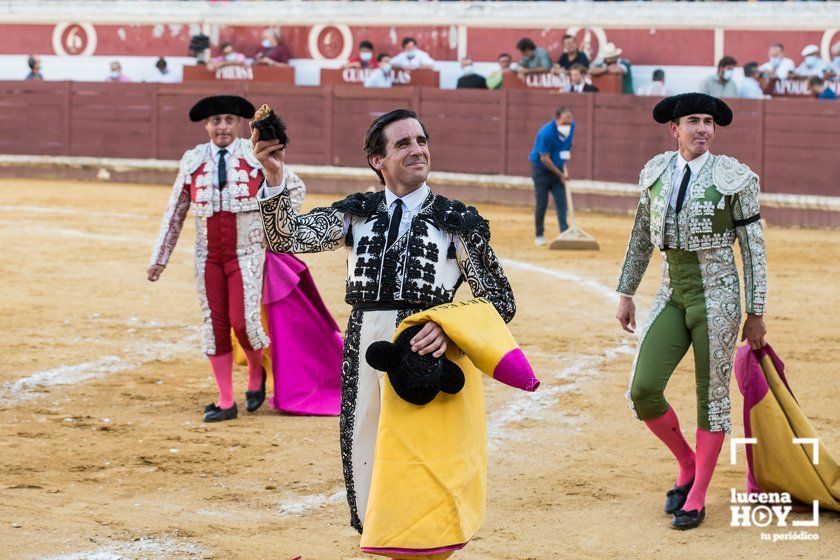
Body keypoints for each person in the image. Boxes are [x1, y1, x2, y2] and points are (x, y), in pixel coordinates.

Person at [253, 108, 516, 534]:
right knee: (365, 443)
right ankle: (376, 537)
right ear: (378, 160)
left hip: (425, 350)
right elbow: (285, 238)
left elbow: (499, 300)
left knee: (422, 455)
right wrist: (274, 174)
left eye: (421, 141)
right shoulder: (357, 212)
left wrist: (450, 328)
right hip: (364, 343)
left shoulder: (456, 220)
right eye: (404, 143)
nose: (418, 150)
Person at [616, 93, 767, 531]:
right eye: (693, 121)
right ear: (674, 129)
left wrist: (755, 311)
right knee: (643, 389)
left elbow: (754, 250)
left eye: (707, 122)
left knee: (712, 397)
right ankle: (686, 462)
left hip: (718, 296)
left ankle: (697, 493)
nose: (702, 128)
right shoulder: (657, 172)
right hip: (671, 292)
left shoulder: (734, 177)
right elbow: (641, 236)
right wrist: (626, 291)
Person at [147, 95, 306, 423]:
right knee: (215, 326)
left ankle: (254, 377)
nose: (222, 126)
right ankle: (225, 400)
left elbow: (295, 189)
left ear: (237, 124)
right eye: (216, 120)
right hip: (207, 257)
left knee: (243, 322)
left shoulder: (255, 154)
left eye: (228, 120)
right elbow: (175, 211)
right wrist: (159, 258)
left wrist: (273, 231)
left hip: (246, 253)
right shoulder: (192, 160)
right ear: (206, 125)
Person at [528, 107, 574, 246]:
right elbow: (544, 158)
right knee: (542, 204)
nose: (567, 125)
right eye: (564, 123)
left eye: (569, 123)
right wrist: (560, 174)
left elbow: (567, 144)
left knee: (561, 201)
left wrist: (562, 160)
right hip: (541, 171)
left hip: (557, 169)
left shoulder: (571, 126)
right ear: (557, 118)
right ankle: (539, 235)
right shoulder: (546, 133)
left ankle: (564, 232)